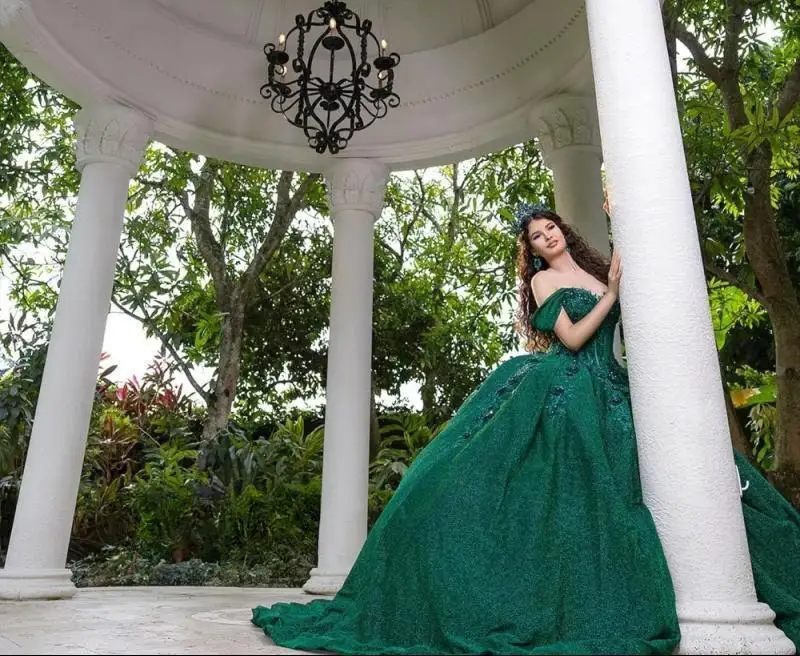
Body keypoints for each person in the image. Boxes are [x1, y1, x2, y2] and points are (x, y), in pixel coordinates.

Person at [252, 204, 800, 654]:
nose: (547, 239)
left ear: (564, 229)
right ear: (532, 251)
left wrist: (618, 215)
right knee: (520, 496)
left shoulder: (595, 266)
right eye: (536, 238)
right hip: (564, 389)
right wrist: (610, 293)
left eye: (551, 229)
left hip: (614, 386)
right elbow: (575, 338)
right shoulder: (544, 284)